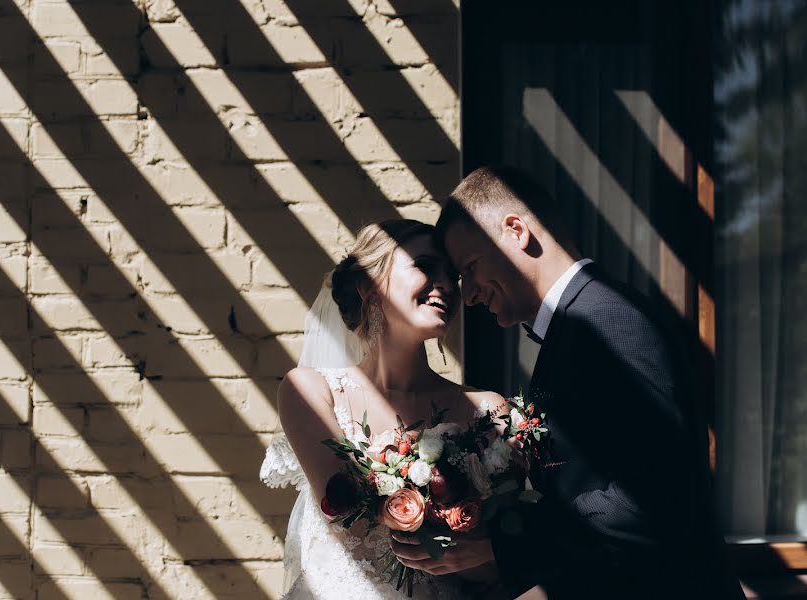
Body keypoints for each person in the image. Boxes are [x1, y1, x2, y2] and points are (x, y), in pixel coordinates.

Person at [391, 166, 744, 598]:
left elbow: (655, 500)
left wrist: (499, 543)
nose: (468, 295)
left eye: (470, 267)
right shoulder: (582, 323)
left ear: (516, 230)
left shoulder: (608, 321)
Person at [260, 219, 504, 599]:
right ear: (368, 286)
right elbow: (346, 511)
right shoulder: (310, 391)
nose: (444, 284)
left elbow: (501, 563)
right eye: (425, 265)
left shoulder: (487, 411)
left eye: (450, 273)